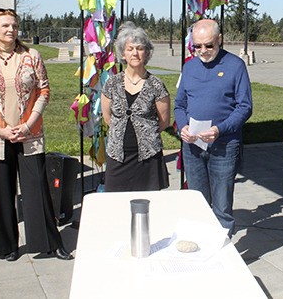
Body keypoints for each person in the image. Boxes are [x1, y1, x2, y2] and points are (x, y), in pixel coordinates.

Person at [0, 8, 73, 261]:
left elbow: (44, 92)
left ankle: (50, 243)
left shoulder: (32, 56)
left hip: (29, 134)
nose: (11, 30)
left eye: (14, 26)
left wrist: (27, 126)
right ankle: (8, 246)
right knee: (2, 191)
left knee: (37, 189)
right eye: (5, 25)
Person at [174, 19, 252, 237]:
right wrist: (183, 126)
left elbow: (245, 107)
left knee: (222, 207)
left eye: (209, 45)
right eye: (197, 46)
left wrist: (220, 129)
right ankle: (202, 250)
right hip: (193, 146)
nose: (203, 50)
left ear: (220, 39)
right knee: (197, 203)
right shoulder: (189, 67)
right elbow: (179, 105)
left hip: (224, 146)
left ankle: (222, 252)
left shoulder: (235, 66)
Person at [101, 22, 171, 192]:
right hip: (118, 156)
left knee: (148, 206)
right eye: (130, 48)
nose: (135, 53)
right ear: (123, 53)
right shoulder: (112, 83)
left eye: (140, 48)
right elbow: (108, 118)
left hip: (148, 158)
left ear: (146, 52)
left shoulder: (156, 85)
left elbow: (163, 122)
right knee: (116, 206)